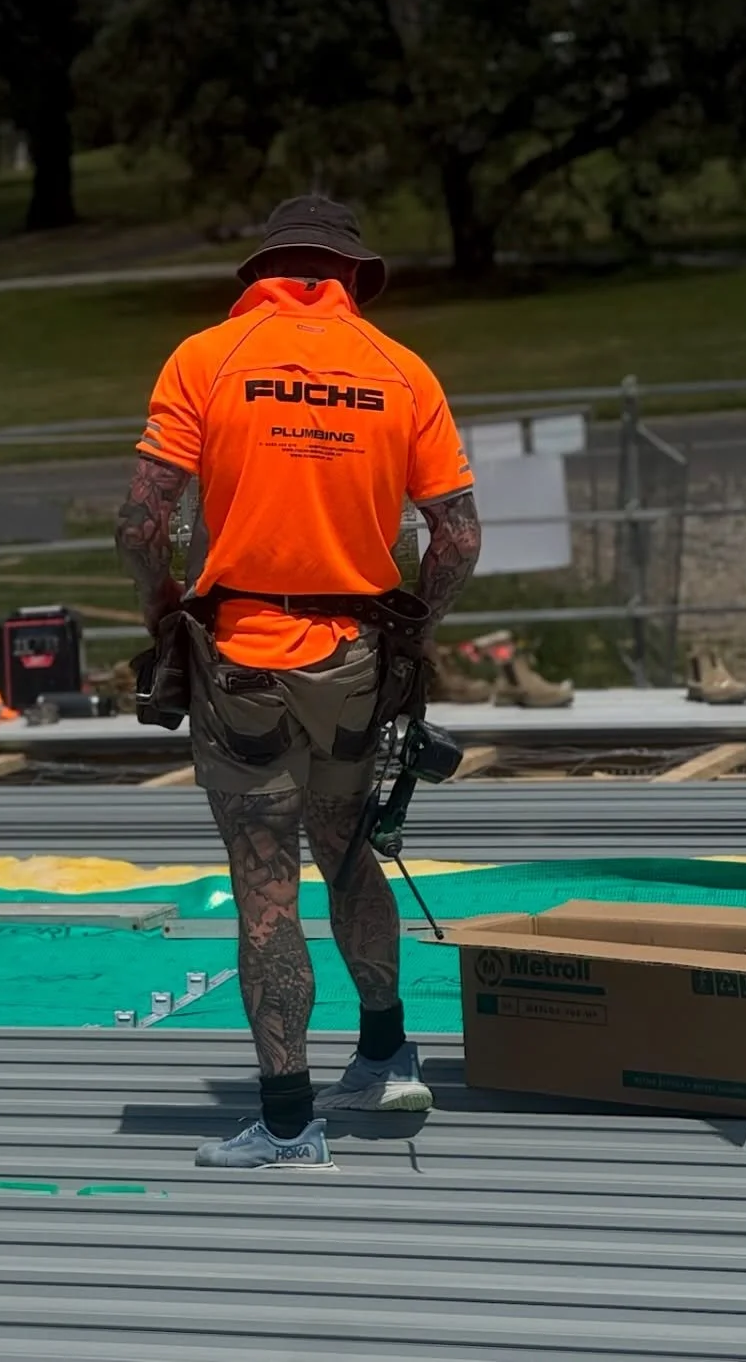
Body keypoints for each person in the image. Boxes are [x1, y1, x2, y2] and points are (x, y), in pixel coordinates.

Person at [116, 195, 482, 1171]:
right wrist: (416, 625)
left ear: (263, 275)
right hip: (356, 661)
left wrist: (163, 617)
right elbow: (459, 536)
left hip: (242, 658)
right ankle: (383, 1050)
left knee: (265, 888)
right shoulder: (401, 371)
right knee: (350, 846)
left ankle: (286, 1120)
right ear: (353, 277)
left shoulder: (207, 359)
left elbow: (141, 524)